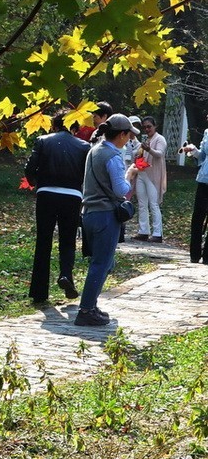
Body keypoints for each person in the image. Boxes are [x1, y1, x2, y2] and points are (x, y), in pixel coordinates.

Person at [76, 114, 135, 327]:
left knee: (103, 262)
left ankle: (90, 305)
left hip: (89, 213)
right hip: (106, 215)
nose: (129, 139)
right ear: (121, 135)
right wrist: (129, 175)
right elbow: (120, 190)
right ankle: (86, 310)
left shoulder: (94, 150)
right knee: (101, 264)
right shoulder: (113, 156)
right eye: (128, 135)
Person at [25, 110, 89, 303]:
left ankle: (39, 291)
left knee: (43, 241)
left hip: (47, 194)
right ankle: (66, 274)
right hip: (72, 196)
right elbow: (87, 174)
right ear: (75, 127)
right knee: (68, 240)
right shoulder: (84, 146)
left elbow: (30, 168)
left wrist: (37, 183)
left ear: (54, 125)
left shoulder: (43, 141)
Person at [133, 116, 167, 243]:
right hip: (142, 173)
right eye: (145, 127)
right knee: (142, 203)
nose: (147, 129)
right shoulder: (146, 140)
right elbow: (140, 155)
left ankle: (157, 233)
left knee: (154, 204)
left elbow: (160, 154)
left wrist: (149, 149)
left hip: (153, 175)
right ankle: (143, 231)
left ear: (155, 126)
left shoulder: (160, 139)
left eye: (149, 127)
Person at [184, 126, 208, 263]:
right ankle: (195, 254)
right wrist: (193, 151)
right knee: (197, 217)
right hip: (204, 178)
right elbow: (203, 156)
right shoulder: (207, 132)